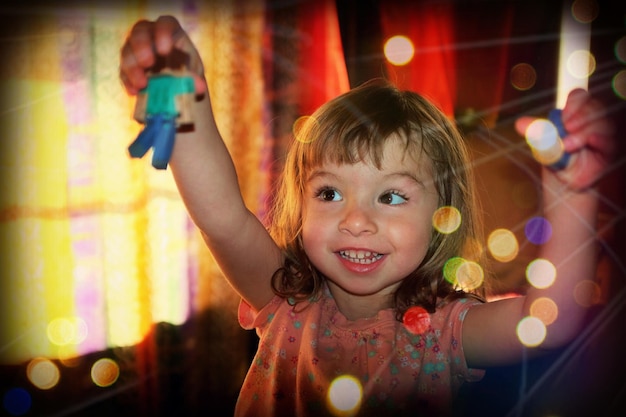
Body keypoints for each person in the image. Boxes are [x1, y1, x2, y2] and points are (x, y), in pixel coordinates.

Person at [119, 16, 615, 417]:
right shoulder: (284, 301)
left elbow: (550, 322)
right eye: (330, 192)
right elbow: (222, 215)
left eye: (392, 197)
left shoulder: (444, 330)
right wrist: (185, 103)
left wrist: (575, 195)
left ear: (442, 214)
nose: (356, 220)